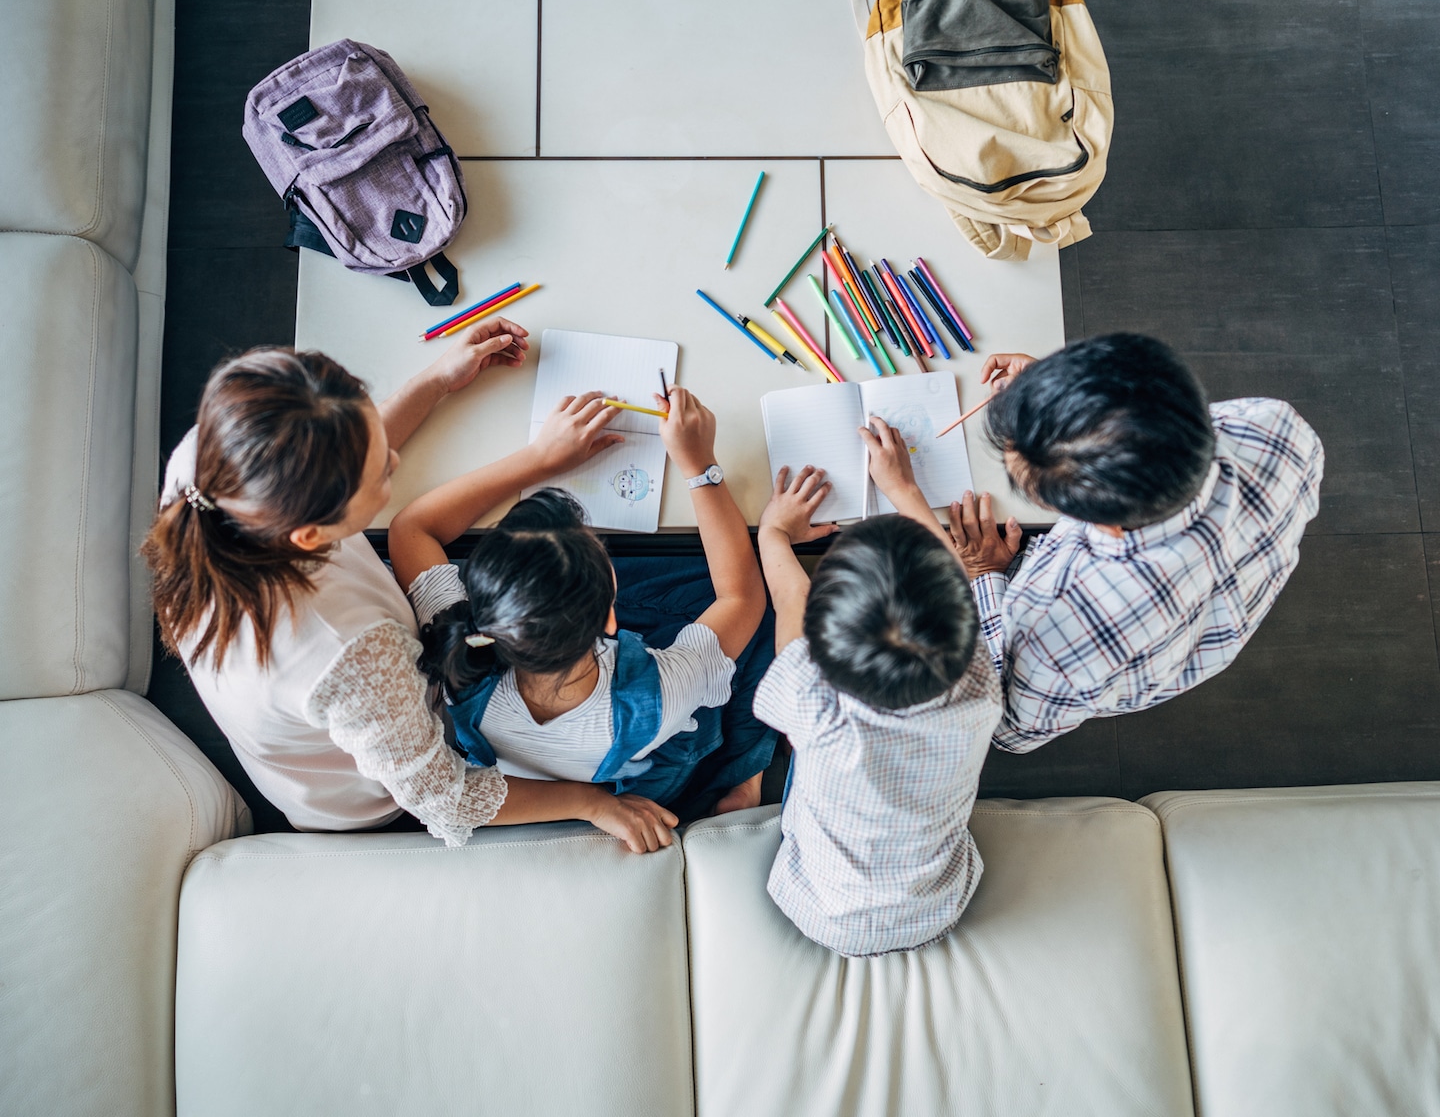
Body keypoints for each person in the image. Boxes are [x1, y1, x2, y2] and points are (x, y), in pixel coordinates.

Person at [142, 322, 678, 853]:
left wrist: (436, 382)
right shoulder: (346, 652)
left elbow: (343, 455)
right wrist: (592, 802)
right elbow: (444, 797)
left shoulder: (213, 463)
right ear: (309, 534)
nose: (393, 462)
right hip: (383, 788)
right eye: (379, 475)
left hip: (377, 692)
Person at [388, 387, 776, 823]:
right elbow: (741, 596)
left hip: (550, 768)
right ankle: (744, 770)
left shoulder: (456, 655)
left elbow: (411, 529)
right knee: (764, 611)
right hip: (644, 766)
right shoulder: (659, 693)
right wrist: (699, 465)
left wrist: (539, 458)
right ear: (611, 617)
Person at [949, 333, 1324, 752]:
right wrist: (1065, 401)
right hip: (1229, 592)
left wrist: (986, 573)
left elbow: (1007, 733)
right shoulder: (1272, 425)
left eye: (1037, 488)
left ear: (1097, 522)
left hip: (1128, 651)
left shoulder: (1059, 624)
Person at [751, 422, 1003, 957]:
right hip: (937, 906)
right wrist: (905, 490)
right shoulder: (981, 685)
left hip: (821, 910)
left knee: (797, 742)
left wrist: (772, 533)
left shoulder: (811, 704)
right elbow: (955, 591)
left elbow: (790, 598)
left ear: (820, 642)